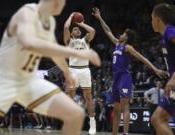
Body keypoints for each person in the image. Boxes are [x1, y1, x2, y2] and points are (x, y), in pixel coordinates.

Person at [0, 0, 101, 135]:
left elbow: (55, 53)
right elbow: (29, 43)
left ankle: (92, 123)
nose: (64, 5)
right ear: (55, 2)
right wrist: (76, 52)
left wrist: (67, 74)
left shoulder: (49, 22)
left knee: (75, 114)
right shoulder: (28, 12)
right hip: (4, 78)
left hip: (28, 81)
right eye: (63, 2)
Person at [92, 7, 167, 135]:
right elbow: (107, 30)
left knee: (125, 107)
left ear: (126, 37)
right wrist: (100, 18)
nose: (120, 34)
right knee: (116, 110)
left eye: (123, 34)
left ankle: (125, 133)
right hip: (116, 79)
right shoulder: (117, 44)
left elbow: (142, 58)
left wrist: (155, 69)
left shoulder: (128, 47)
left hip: (124, 78)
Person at [63, 13, 96, 135]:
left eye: (78, 29)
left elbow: (92, 31)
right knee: (70, 97)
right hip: (73, 70)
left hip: (85, 70)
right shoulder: (69, 41)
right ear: (71, 33)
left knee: (88, 97)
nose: (76, 29)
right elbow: (66, 27)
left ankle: (92, 122)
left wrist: (81, 23)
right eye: (75, 29)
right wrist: (71, 17)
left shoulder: (85, 40)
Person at [151, 3, 175, 135]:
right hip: (173, 89)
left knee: (158, 119)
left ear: (157, 19)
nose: (151, 22)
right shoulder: (164, 37)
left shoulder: (170, 31)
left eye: (152, 18)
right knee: (160, 118)